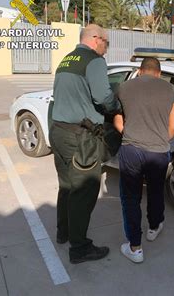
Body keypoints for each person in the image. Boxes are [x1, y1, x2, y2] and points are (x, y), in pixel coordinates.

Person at [49, 24, 119, 264]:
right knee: (84, 191)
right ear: (96, 39)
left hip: (58, 132)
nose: (106, 48)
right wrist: (117, 106)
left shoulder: (67, 59)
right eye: (106, 43)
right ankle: (79, 248)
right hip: (81, 138)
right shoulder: (94, 60)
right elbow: (103, 97)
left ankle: (64, 233)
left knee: (66, 187)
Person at [114, 57, 174, 263]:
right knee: (155, 190)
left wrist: (131, 135)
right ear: (159, 73)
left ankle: (135, 247)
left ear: (140, 71)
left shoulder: (123, 87)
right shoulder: (171, 91)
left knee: (131, 198)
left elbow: (117, 119)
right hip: (158, 151)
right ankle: (154, 227)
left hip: (131, 149)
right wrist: (159, 140)